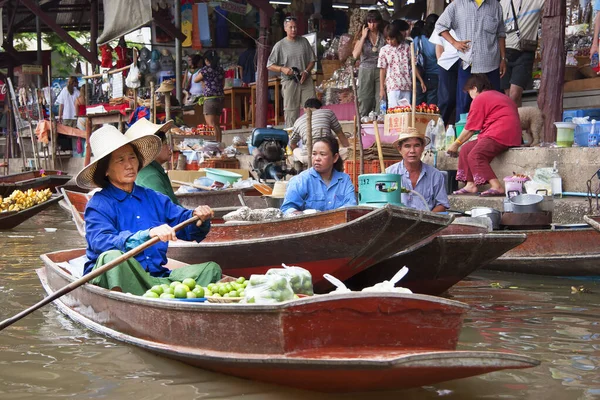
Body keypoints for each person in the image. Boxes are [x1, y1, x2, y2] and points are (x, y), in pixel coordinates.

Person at [75, 125, 221, 295]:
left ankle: (156, 299)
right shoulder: (99, 204)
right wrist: (147, 234)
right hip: (121, 278)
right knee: (111, 257)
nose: (129, 165)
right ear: (106, 170)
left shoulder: (153, 197)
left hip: (154, 278)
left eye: (132, 158)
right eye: (120, 160)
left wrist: (198, 217)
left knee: (211, 270)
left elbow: (186, 226)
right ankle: (129, 304)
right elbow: (100, 242)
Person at [446, 74, 521, 197]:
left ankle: (497, 186)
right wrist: (460, 145)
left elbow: (471, 128)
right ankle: (470, 185)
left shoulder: (481, 98)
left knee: (476, 155)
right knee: (466, 150)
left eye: (469, 92)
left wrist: (455, 144)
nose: (470, 96)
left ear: (474, 88)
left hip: (499, 133)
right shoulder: (500, 96)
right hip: (508, 134)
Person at [435, 0, 506, 118]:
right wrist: (455, 43)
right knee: (464, 105)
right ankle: (463, 134)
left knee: (493, 104)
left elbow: (501, 34)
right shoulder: (457, 4)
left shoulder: (495, 6)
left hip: (491, 64)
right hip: (468, 64)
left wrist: (503, 58)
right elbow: (440, 25)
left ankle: (490, 135)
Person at [281, 136, 357, 214]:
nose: (317, 158)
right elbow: (287, 209)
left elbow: (351, 206)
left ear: (335, 158)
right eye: (314, 154)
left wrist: (332, 217)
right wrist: (306, 214)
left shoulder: (344, 180)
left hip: (340, 225)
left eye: (322, 154)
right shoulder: (301, 180)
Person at [267, 16, 317, 127]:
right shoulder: (280, 45)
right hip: (289, 81)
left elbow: (312, 60)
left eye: (295, 27)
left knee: (312, 108)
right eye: (291, 27)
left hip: (305, 79)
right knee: (291, 112)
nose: (293, 30)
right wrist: (282, 69)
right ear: (285, 29)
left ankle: (312, 137)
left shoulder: (303, 41)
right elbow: (269, 65)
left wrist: (307, 71)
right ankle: (292, 141)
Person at [386, 130, 449, 212]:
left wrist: (426, 219)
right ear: (400, 149)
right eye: (407, 146)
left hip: (426, 222)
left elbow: (442, 204)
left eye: (417, 145)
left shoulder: (435, 175)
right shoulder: (389, 174)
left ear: (422, 148)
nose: (412, 151)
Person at [125, 118, 180, 205]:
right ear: (154, 147)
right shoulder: (150, 176)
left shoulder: (154, 170)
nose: (169, 148)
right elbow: (166, 211)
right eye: (165, 144)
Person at [500, 0, 544, 106]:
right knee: (507, 96)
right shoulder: (501, 3)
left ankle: (516, 121)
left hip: (524, 52)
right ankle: (515, 121)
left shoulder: (536, 2)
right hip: (504, 53)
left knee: (515, 95)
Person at [289, 98, 350, 166]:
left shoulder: (298, 121)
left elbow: (292, 144)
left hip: (307, 157)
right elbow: (340, 133)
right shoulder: (328, 112)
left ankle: (299, 171)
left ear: (304, 109)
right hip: (328, 155)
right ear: (321, 108)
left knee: (295, 151)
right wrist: (348, 148)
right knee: (346, 151)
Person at [378, 22, 426, 109]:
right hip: (392, 85)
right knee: (394, 111)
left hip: (406, 85)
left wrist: (421, 80)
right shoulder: (384, 50)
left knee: (406, 111)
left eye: (392, 39)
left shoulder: (407, 47)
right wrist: (381, 88)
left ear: (397, 36)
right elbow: (382, 70)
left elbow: (413, 65)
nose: (390, 42)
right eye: (387, 39)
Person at [351, 9, 386, 117]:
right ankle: (362, 124)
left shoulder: (383, 35)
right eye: (370, 22)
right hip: (365, 70)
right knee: (365, 98)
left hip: (381, 70)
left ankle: (379, 122)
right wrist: (363, 36)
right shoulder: (362, 36)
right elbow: (355, 55)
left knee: (380, 99)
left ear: (379, 22)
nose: (372, 25)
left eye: (374, 22)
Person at [429, 28, 460, 125]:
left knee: (462, 99)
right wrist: (440, 63)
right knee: (446, 98)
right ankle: (440, 126)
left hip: (465, 61)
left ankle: (458, 126)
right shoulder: (443, 21)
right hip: (447, 64)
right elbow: (439, 45)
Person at [194, 50, 225, 143]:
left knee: (211, 124)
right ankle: (219, 143)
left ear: (207, 60)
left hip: (210, 99)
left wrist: (203, 81)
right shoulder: (221, 70)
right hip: (220, 98)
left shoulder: (205, 70)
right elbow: (223, 84)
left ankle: (215, 145)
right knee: (217, 124)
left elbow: (195, 80)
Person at [414, 14, 440, 106]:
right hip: (436, 76)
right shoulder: (439, 41)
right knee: (431, 107)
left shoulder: (417, 39)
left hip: (419, 76)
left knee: (418, 106)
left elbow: (413, 61)